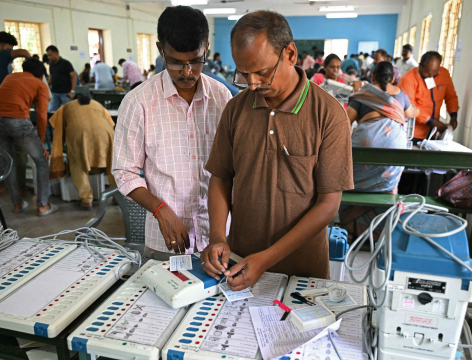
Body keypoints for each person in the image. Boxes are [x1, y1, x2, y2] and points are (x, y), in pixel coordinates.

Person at [201, 10, 353, 290]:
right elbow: (221, 177)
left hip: (303, 272)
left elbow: (328, 204)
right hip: (240, 265)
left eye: (263, 72)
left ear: (291, 54)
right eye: (244, 74)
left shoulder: (328, 114)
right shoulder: (236, 109)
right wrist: (218, 237)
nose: (254, 83)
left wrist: (266, 259)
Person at [113, 6, 232, 260]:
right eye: (176, 62)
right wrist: (160, 210)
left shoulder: (221, 97)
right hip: (165, 241)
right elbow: (125, 173)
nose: (187, 72)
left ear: (206, 50)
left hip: (219, 236)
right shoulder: (139, 102)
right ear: (160, 51)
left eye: (195, 61)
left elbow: (232, 166)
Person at [0, 58, 58, 216]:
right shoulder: (40, 84)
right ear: (41, 75)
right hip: (18, 121)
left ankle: (17, 203)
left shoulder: (9, 77)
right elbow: (41, 115)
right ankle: (43, 205)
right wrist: (41, 142)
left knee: (9, 162)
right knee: (41, 160)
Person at [347, 61, 418, 193]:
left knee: (351, 180)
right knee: (389, 182)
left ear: (372, 76)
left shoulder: (362, 94)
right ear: (392, 79)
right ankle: (387, 206)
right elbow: (412, 113)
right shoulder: (401, 94)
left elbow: (345, 122)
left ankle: (354, 205)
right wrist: (416, 109)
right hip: (396, 144)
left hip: (365, 141)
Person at [49, 94, 116, 209]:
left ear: (74, 100)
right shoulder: (98, 104)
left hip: (79, 134)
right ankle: (116, 195)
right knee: (112, 163)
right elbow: (111, 123)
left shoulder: (65, 107)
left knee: (77, 164)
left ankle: (86, 200)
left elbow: (58, 129)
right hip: (106, 133)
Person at [398, 51, 459, 142]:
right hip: (412, 133)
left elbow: (451, 97)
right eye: (427, 73)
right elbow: (409, 107)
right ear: (420, 65)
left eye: (435, 73)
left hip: (432, 133)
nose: (431, 76)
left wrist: (453, 116)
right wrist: (431, 121)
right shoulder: (408, 79)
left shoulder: (444, 74)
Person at [0, 32, 31, 114]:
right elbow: (24, 52)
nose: (10, 52)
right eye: (9, 50)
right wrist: (33, 64)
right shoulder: (1, 55)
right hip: (1, 107)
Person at [46, 45, 76, 111]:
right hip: (54, 92)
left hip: (65, 93)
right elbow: (51, 78)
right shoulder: (51, 64)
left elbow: (74, 77)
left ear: (56, 53)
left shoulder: (66, 63)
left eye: (50, 55)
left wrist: (72, 91)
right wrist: (44, 86)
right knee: (51, 111)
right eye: (48, 55)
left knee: (69, 111)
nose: (48, 57)